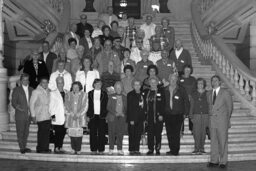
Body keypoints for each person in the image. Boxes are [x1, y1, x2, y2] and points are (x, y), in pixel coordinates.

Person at [207, 75, 233, 169]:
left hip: (222, 121)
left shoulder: (225, 92)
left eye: (216, 80)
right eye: (212, 80)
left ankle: (223, 161)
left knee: (222, 141)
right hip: (212, 120)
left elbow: (230, 107)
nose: (214, 82)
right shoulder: (209, 93)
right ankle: (214, 160)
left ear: (220, 82)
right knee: (213, 141)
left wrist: (226, 119)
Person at [165, 73, 190, 156]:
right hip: (168, 114)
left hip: (178, 114)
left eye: (174, 79)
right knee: (169, 133)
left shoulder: (181, 89)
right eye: (171, 79)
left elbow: (186, 101)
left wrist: (186, 113)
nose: (173, 80)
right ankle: (171, 149)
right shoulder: (165, 89)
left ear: (177, 80)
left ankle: (175, 150)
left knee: (176, 133)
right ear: (169, 80)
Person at [11, 73, 33, 154]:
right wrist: (18, 107)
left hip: (28, 115)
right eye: (24, 80)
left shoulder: (31, 89)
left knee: (26, 132)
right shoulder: (16, 90)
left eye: (27, 79)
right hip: (20, 115)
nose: (25, 81)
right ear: (20, 81)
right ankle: (22, 147)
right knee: (20, 132)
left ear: (29, 81)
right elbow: (13, 102)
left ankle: (24, 146)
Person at [65, 81, 88, 155]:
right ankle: (73, 148)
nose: (75, 88)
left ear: (80, 87)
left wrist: (78, 114)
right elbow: (66, 105)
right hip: (70, 117)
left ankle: (78, 149)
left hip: (80, 117)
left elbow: (85, 106)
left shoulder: (84, 95)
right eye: (74, 87)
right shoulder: (68, 94)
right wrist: (71, 114)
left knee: (78, 134)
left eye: (77, 87)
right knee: (72, 134)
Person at [143, 77, 165, 155]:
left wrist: (161, 114)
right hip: (149, 116)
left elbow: (163, 104)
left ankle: (158, 149)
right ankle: (150, 149)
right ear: (149, 83)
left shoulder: (161, 92)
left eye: (154, 82)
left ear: (157, 83)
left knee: (158, 133)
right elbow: (144, 104)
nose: (153, 84)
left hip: (158, 116)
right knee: (150, 134)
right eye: (151, 82)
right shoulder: (146, 92)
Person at [30, 77, 51, 153]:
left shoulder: (49, 91)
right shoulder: (36, 91)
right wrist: (33, 116)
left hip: (48, 114)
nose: (45, 84)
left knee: (47, 132)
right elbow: (31, 104)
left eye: (46, 82)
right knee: (41, 132)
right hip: (40, 114)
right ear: (40, 83)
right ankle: (40, 148)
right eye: (43, 82)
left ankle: (45, 147)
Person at [87, 79, 108, 155]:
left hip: (101, 116)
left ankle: (101, 149)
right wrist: (87, 115)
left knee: (102, 132)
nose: (98, 85)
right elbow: (88, 105)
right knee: (92, 132)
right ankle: (93, 149)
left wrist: (106, 115)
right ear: (94, 84)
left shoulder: (104, 93)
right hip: (92, 115)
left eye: (100, 84)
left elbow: (106, 105)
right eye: (97, 84)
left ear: (101, 85)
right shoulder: (89, 93)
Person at [189, 78, 209, 155]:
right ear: (196, 85)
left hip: (205, 115)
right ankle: (196, 148)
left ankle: (202, 148)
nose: (200, 85)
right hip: (196, 115)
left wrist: (210, 115)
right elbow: (191, 105)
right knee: (196, 132)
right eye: (198, 83)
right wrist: (191, 115)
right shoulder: (193, 94)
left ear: (204, 84)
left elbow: (210, 105)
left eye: (201, 83)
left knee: (203, 133)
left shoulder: (208, 93)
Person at [106, 81, 127, 155]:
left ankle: (119, 149)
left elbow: (127, 108)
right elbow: (108, 107)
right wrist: (115, 113)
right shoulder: (111, 96)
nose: (118, 89)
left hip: (121, 117)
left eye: (120, 87)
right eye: (117, 87)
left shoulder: (125, 97)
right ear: (115, 88)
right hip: (112, 117)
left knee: (120, 133)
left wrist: (123, 113)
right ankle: (111, 148)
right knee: (111, 133)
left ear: (122, 88)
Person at [49, 76, 67, 154]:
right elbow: (51, 106)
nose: (60, 84)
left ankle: (60, 146)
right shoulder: (52, 93)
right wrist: (53, 116)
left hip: (65, 116)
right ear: (56, 84)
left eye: (62, 82)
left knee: (63, 132)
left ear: (64, 83)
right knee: (57, 133)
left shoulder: (67, 92)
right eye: (59, 83)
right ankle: (56, 147)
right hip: (57, 116)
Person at [127, 79, 144, 155]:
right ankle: (131, 149)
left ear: (140, 86)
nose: (137, 86)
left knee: (138, 134)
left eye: (138, 85)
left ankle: (136, 149)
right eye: (135, 85)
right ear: (133, 86)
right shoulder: (130, 94)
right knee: (132, 134)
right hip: (133, 118)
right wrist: (131, 119)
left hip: (141, 118)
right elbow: (129, 108)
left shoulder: (143, 94)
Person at [179, 65, 197, 133]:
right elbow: (177, 89)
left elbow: (195, 89)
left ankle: (192, 129)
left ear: (190, 71)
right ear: (183, 70)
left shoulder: (193, 79)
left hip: (191, 99)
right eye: (186, 70)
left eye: (188, 70)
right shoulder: (179, 79)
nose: (187, 71)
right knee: (181, 114)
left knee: (191, 113)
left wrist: (192, 96)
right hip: (182, 99)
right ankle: (181, 130)